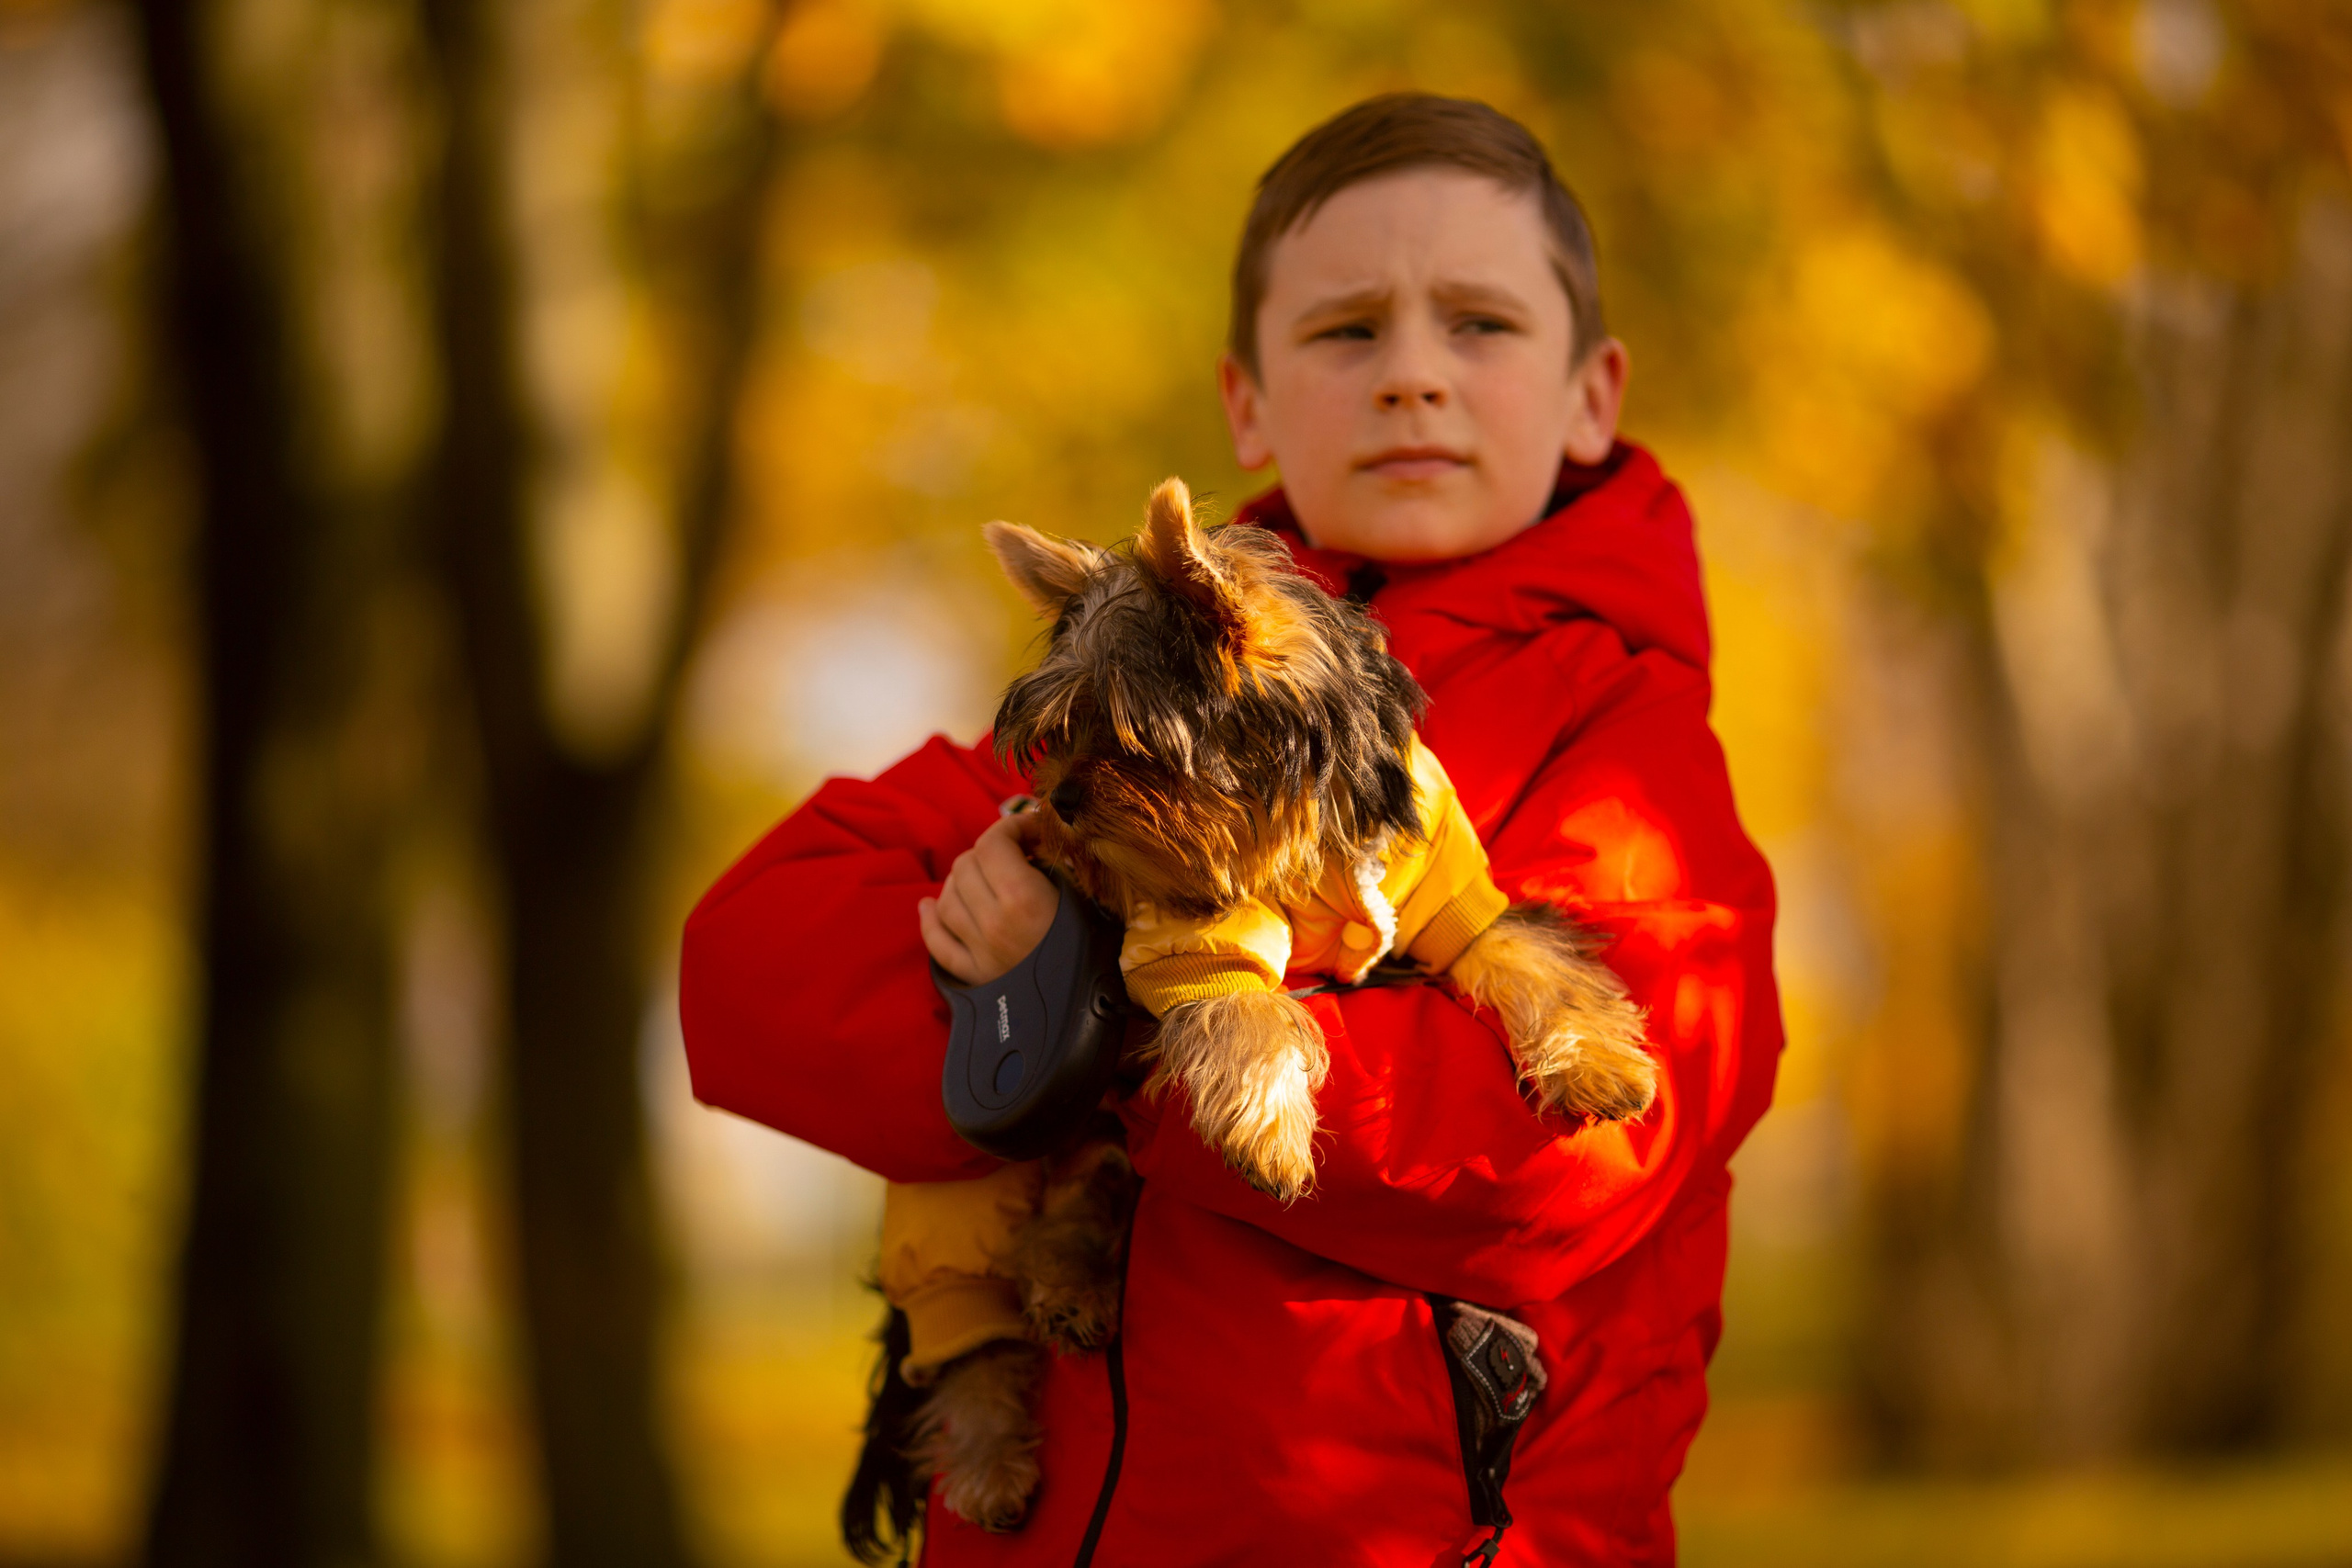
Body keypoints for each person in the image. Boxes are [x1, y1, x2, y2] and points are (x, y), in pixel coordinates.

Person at [681, 93, 1781, 1566]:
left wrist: (1070, 1017)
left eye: (1480, 325)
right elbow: (748, 961)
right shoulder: (1125, 683)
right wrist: (1102, 986)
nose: (1410, 378)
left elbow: (1566, 1150)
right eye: (1344, 332)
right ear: (1245, 402)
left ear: (1595, 393)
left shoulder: (1628, 742)